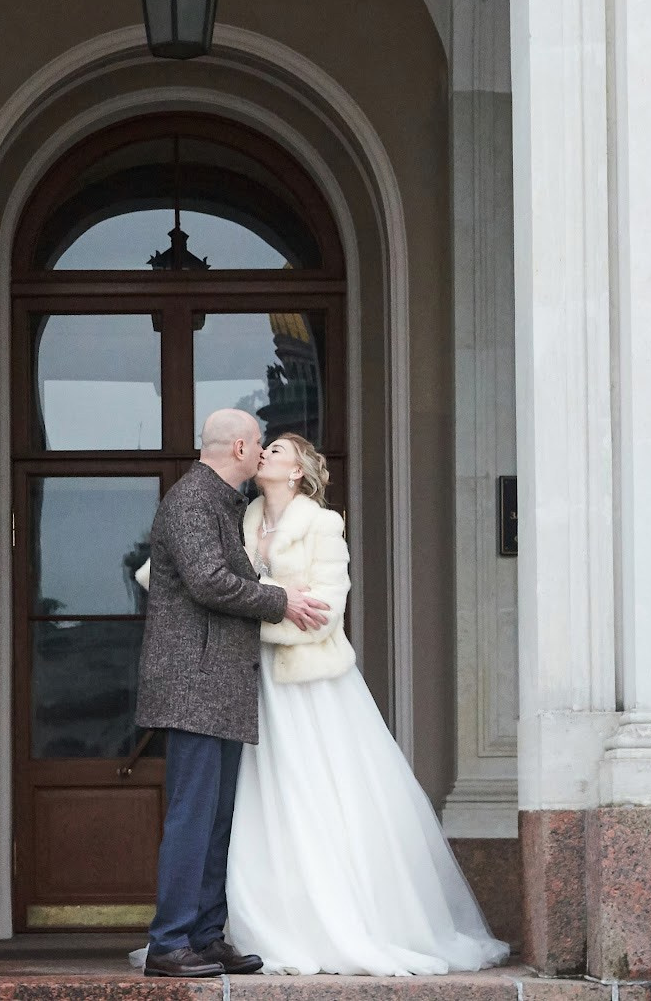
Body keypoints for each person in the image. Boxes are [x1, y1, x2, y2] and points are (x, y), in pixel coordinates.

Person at [222, 433, 510, 976]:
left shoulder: (322, 525)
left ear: (298, 471)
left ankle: (348, 923)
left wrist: (254, 616)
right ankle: (271, 924)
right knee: (264, 799)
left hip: (313, 686)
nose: (265, 455)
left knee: (323, 794)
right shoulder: (245, 517)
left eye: (277, 451)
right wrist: (278, 603)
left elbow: (324, 613)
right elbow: (235, 590)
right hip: (255, 682)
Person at [134, 408, 331, 978]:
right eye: (260, 444)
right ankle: (168, 944)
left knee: (217, 818)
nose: (263, 451)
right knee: (193, 816)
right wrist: (282, 601)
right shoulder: (193, 500)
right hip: (194, 685)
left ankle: (203, 934)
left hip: (218, 684)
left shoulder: (221, 502)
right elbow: (209, 582)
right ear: (241, 447)